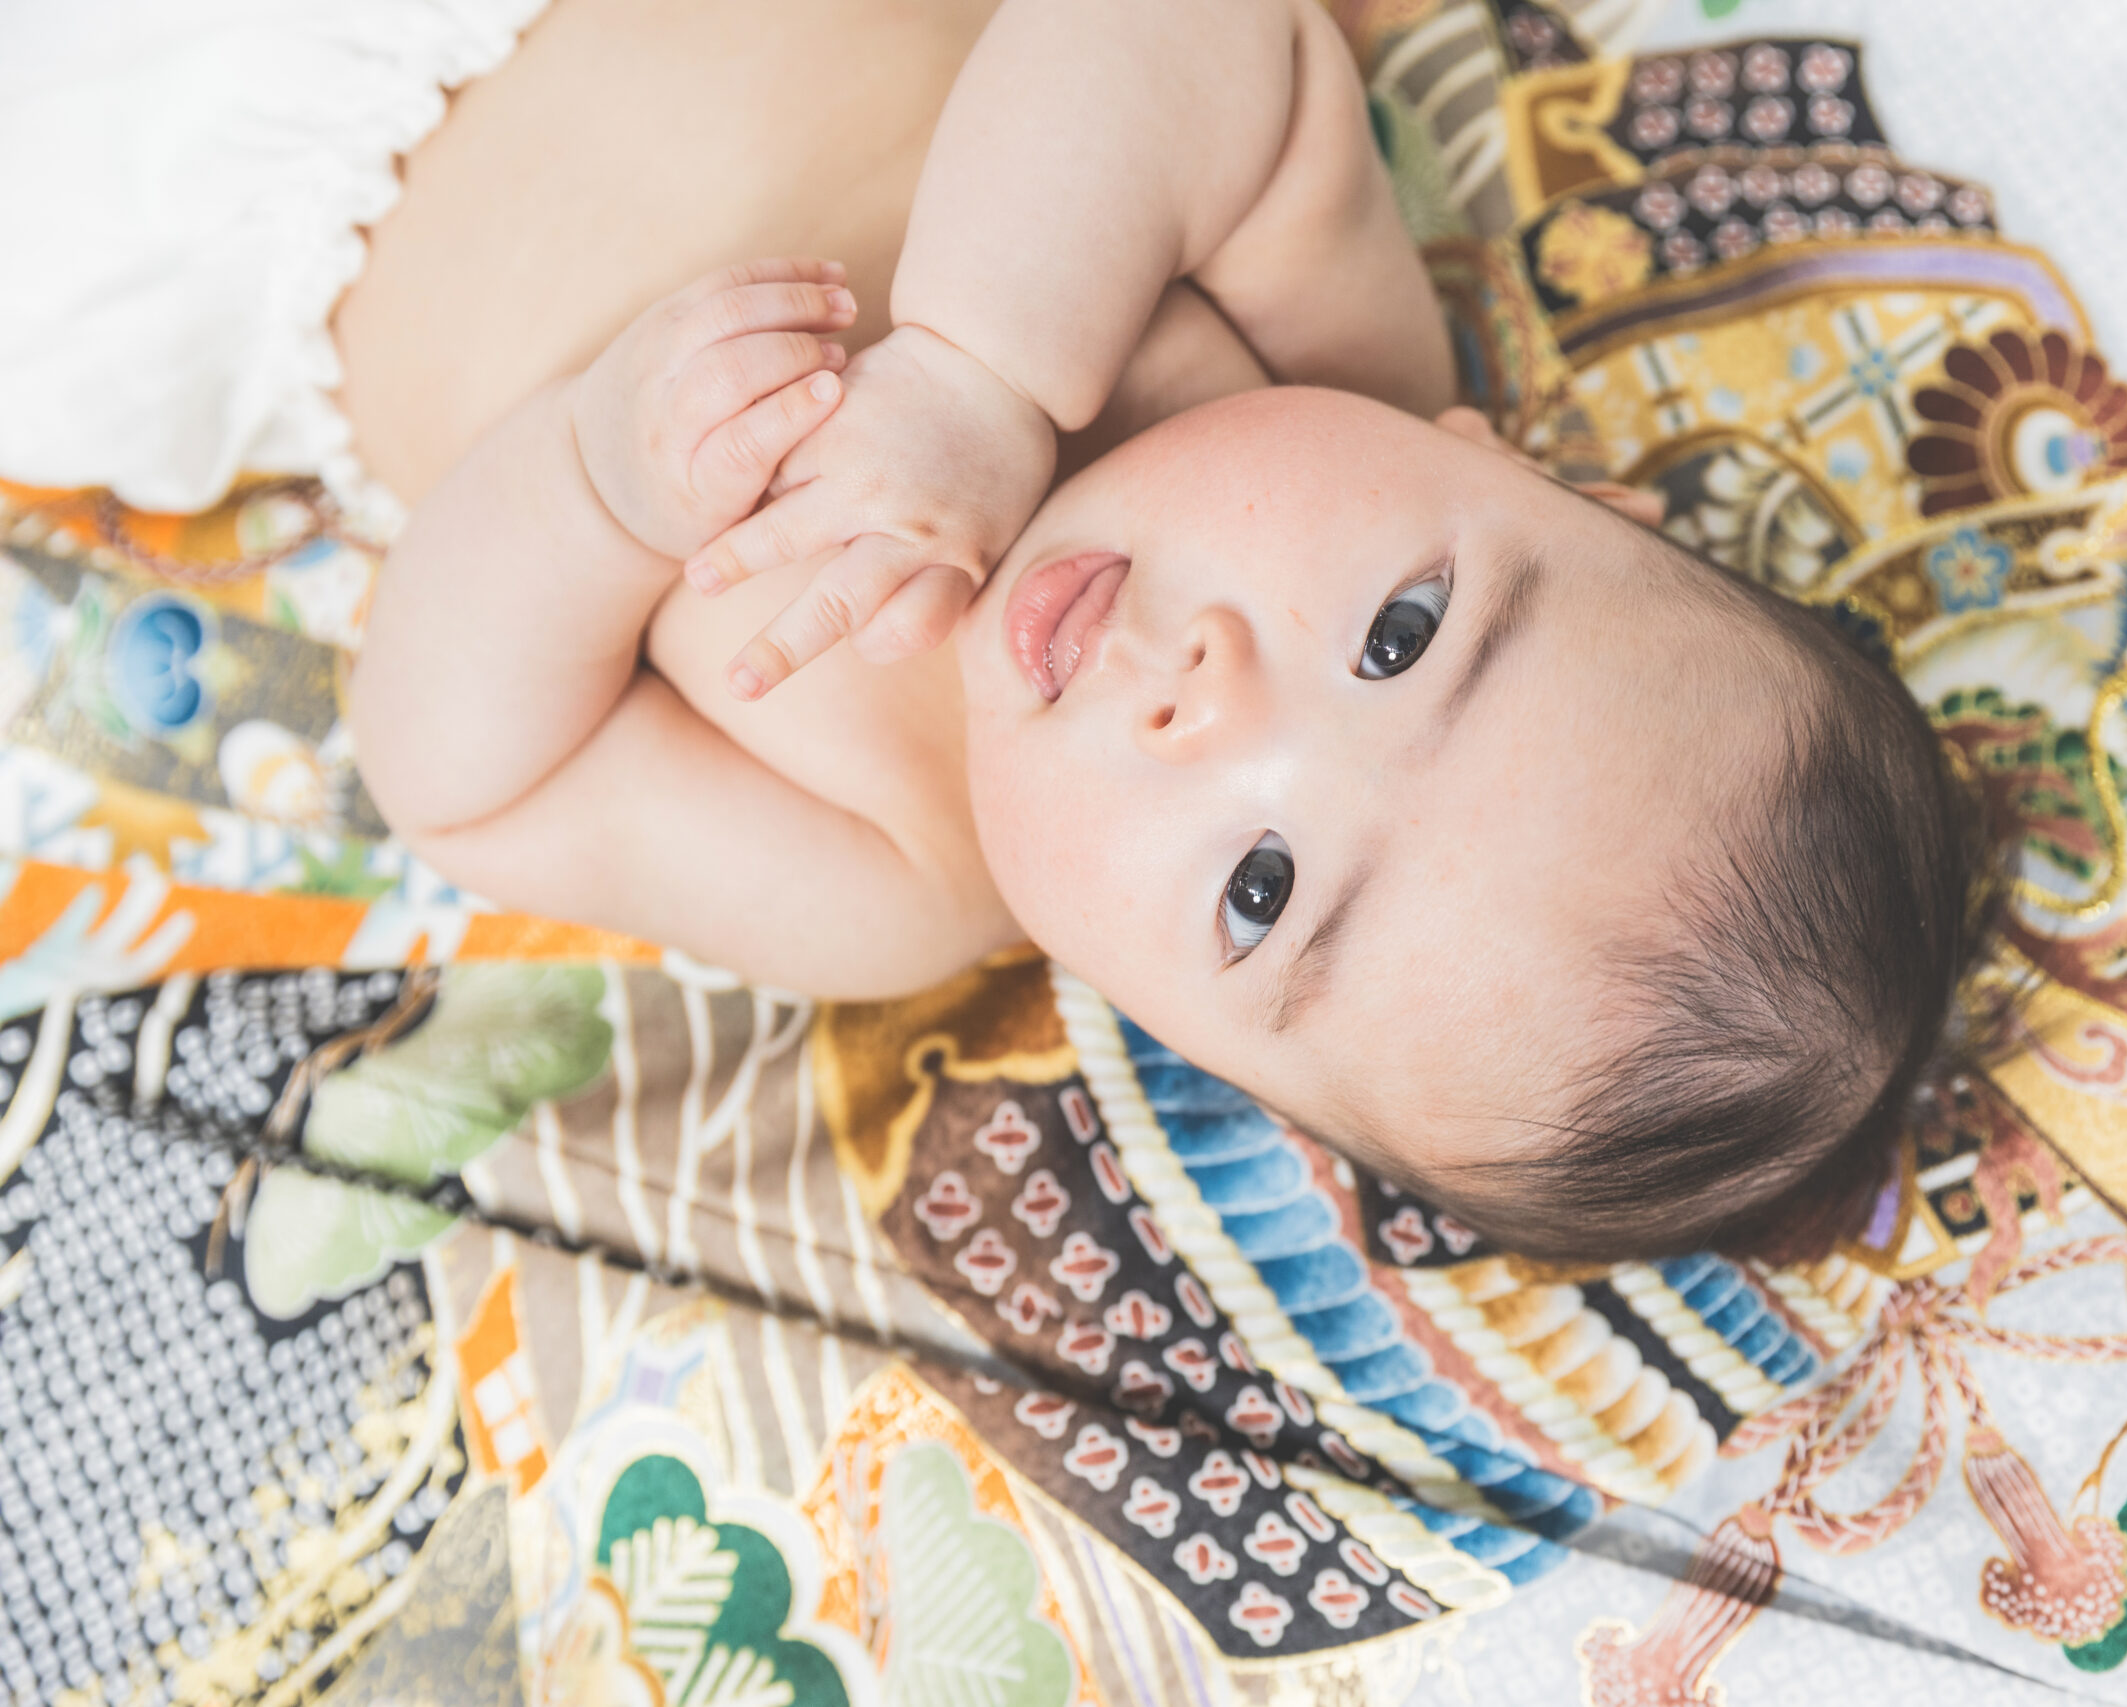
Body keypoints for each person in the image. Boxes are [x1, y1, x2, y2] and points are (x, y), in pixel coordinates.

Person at [348, 0, 1990, 1262]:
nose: (1214, 704)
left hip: (268, 194)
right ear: (1531, 477)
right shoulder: (1328, 361)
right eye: (1403, 638)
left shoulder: (896, 875)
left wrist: (601, 487)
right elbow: (1182, 32)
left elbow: (476, 776)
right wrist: (987, 363)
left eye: (1261, 891)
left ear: (1170, 1032)